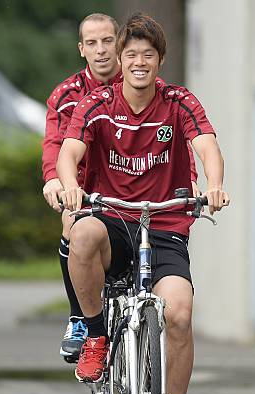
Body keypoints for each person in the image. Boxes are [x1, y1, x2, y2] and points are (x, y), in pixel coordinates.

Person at [58, 12, 229, 394]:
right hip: (113, 220)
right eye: (129, 54)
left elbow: (207, 145)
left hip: (165, 226)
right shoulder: (95, 103)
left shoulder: (180, 102)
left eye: (147, 55)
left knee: (180, 314)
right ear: (118, 57)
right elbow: (68, 152)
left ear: (159, 60)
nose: (138, 62)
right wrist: (71, 185)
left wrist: (213, 184)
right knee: (83, 232)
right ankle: (95, 335)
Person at [41, 13, 198, 362]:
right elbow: (56, 144)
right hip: (84, 184)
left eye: (108, 42)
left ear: (120, 45)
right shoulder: (67, 95)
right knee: (75, 224)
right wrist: (55, 179)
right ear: (81, 49)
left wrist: (189, 182)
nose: (101, 51)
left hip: (135, 185)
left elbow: (170, 136)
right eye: (92, 43)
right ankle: (81, 319)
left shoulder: (140, 82)